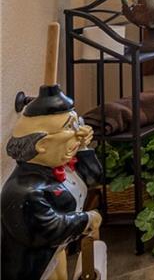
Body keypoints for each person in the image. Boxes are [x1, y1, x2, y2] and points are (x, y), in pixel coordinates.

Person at [2, 70, 102, 280]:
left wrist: (83, 147)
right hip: (34, 268)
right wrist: (86, 220)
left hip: (56, 254)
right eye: (71, 128)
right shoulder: (24, 193)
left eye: (78, 124)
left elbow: (93, 178)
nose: (79, 132)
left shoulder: (60, 165)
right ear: (42, 145)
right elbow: (50, 228)